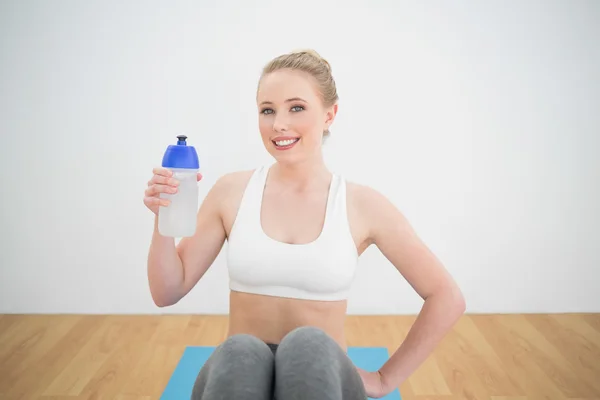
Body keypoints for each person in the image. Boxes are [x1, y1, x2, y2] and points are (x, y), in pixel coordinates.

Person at [144, 49, 466, 399]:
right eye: (267, 110)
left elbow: (446, 297)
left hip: (322, 381)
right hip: (241, 381)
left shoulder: (362, 205)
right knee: (242, 352)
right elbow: (167, 292)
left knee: (308, 345)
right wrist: (163, 217)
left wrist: (385, 380)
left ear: (330, 114)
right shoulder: (231, 192)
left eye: (296, 107)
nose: (279, 123)